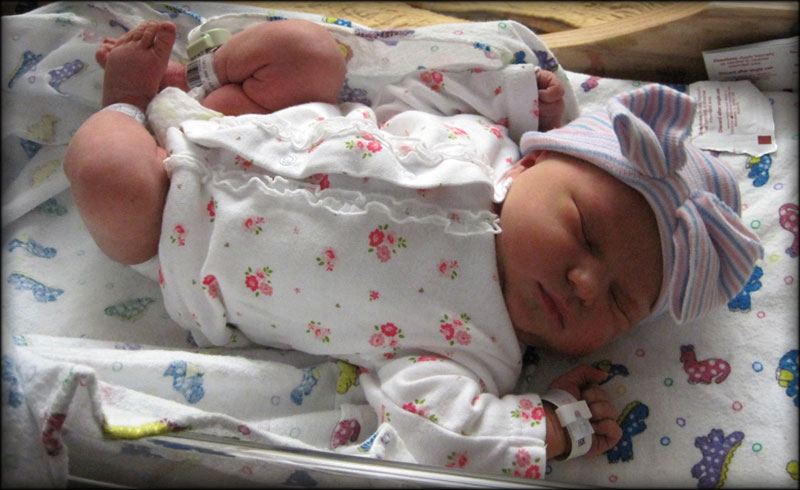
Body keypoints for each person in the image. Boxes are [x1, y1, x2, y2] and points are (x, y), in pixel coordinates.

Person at [63, 18, 762, 478]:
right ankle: (189, 90)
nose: (584, 282)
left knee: (105, 176)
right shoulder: (483, 143)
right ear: (535, 162)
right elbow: (414, 92)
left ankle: (124, 100)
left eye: (617, 300)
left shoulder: (478, 352)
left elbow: (437, 434)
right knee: (308, 52)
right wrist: (516, 99)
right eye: (584, 233)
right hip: (251, 121)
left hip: (179, 235)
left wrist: (542, 427)